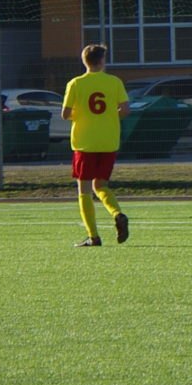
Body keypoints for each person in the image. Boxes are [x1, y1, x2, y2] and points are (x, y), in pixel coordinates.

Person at [60, 43, 130, 248]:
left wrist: (81, 115)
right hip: (108, 141)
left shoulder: (76, 83)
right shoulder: (114, 82)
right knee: (101, 185)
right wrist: (109, 116)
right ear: (102, 61)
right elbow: (125, 110)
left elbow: (65, 114)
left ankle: (93, 236)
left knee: (84, 190)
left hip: (85, 142)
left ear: (85, 61)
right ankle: (117, 213)